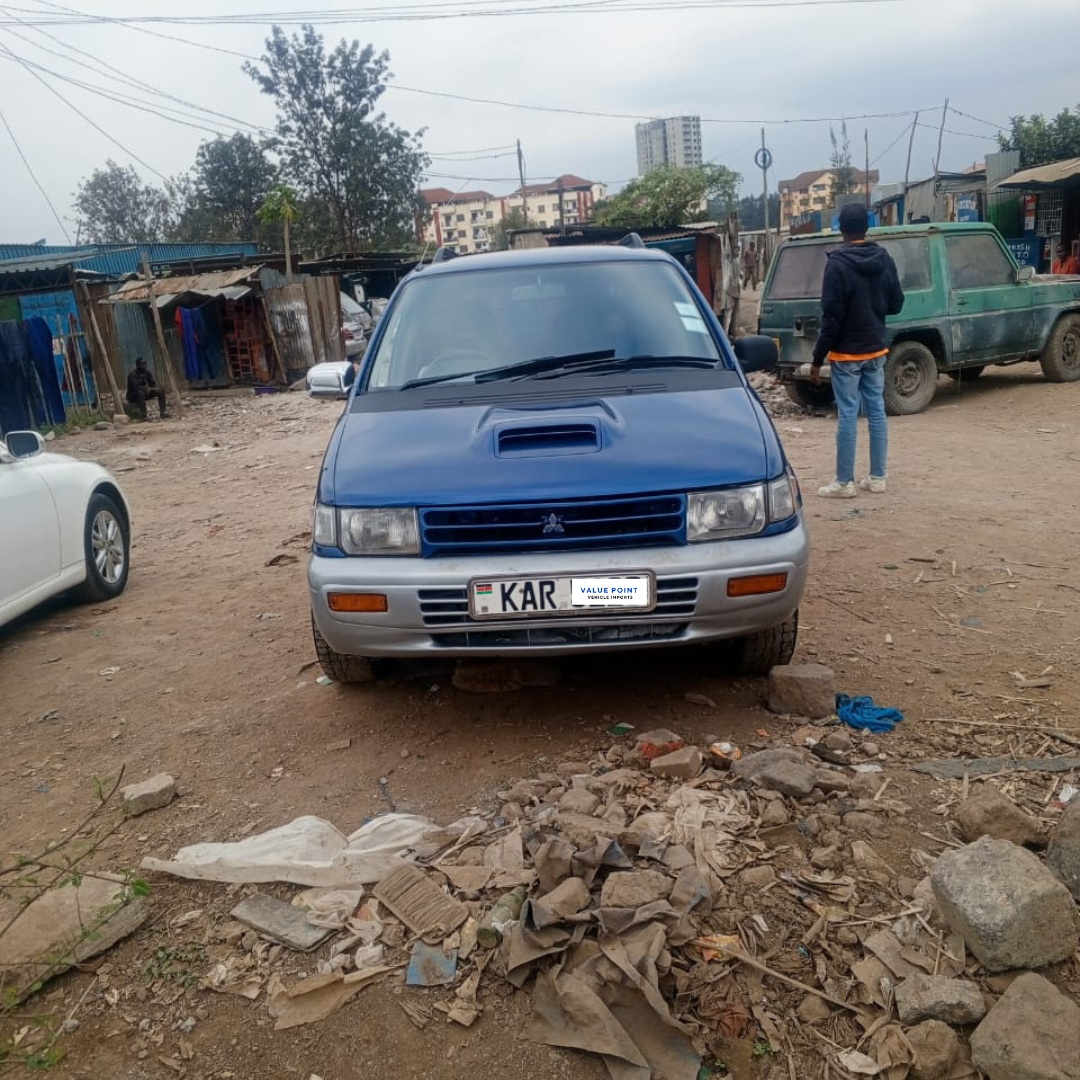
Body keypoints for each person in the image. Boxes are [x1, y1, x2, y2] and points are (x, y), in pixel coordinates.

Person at [811, 203, 904, 499]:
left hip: (846, 355)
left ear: (841, 229)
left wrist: (817, 359)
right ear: (867, 227)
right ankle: (878, 478)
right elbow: (897, 303)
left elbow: (831, 318)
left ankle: (844, 483)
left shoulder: (836, 264)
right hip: (876, 349)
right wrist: (874, 310)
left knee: (848, 414)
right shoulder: (884, 258)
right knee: (876, 411)